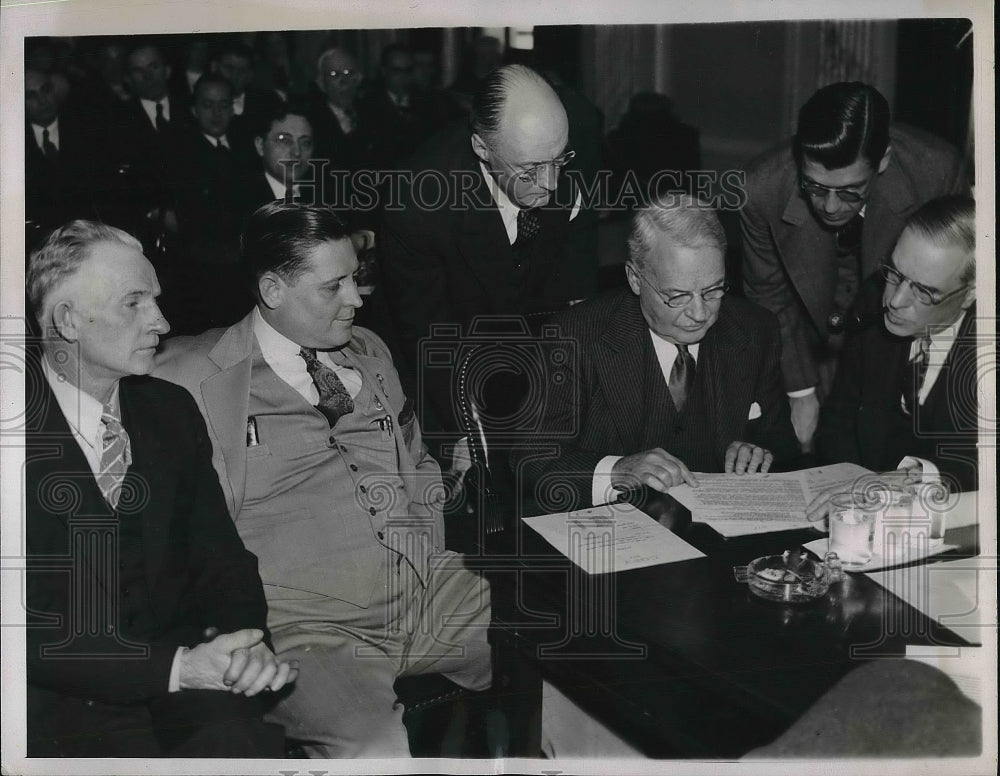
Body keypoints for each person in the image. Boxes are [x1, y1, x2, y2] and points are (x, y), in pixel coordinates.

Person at [154, 202, 492, 758]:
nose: (356, 299)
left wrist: (442, 501)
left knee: (567, 644)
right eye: (333, 286)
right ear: (272, 289)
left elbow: (416, 462)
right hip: (306, 631)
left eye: (356, 279)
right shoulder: (189, 376)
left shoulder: (371, 352)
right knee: (376, 750)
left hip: (430, 595)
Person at [24, 220, 296, 757]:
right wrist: (179, 668)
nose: (162, 321)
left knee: (241, 746)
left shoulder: (167, 410)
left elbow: (222, 559)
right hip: (52, 703)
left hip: (183, 685)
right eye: (135, 303)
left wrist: (245, 644)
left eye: (157, 300)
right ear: (68, 321)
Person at [514, 194, 799, 513]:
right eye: (677, 295)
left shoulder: (754, 329)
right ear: (635, 279)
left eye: (713, 290)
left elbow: (783, 445)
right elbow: (532, 464)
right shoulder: (575, 338)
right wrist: (618, 470)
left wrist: (758, 452)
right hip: (612, 535)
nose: (699, 312)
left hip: (720, 533)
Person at [740, 82, 967, 452]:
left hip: (889, 343)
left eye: (849, 192)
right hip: (803, 347)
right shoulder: (759, 188)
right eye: (814, 187)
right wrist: (801, 392)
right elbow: (768, 294)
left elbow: (943, 291)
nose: (830, 207)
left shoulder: (936, 171)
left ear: (883, 161)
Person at [381, 63, 583, 440]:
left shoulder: (549, 152)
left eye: (560, 161)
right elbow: (431, 343)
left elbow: (559, 299)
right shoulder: (416, 203)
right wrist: (475, 439)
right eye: (531, 169)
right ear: (481, 148)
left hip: (525, 356)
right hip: (435, 376)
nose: (551, 184)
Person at [811, 195, 978, 508]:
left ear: (970, 295)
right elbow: (839, 421)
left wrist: (913, 479)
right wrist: (853, 490)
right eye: (895, 273)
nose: (895, 300)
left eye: (925, 291)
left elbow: (982, 468)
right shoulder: (873, 298)